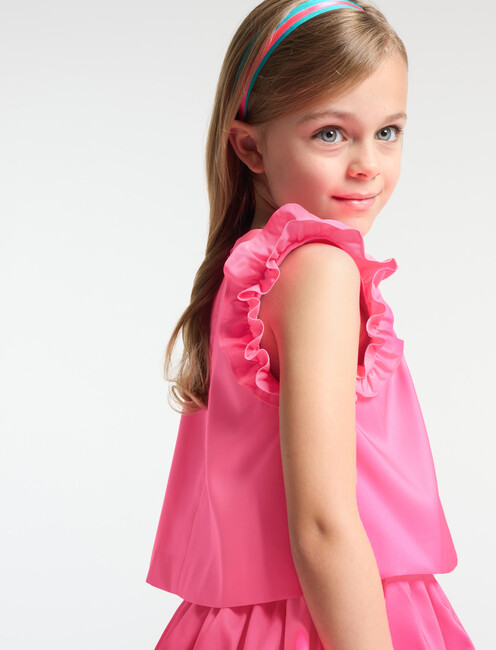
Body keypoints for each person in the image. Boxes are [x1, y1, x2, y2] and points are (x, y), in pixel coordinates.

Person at [146, 1, 475, 648]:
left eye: (388, 131)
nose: (368, 163)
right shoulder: (320, 271)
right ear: (250, 147)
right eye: (330, 133)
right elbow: (323, 525)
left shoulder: (256, 273)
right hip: (332, 619)